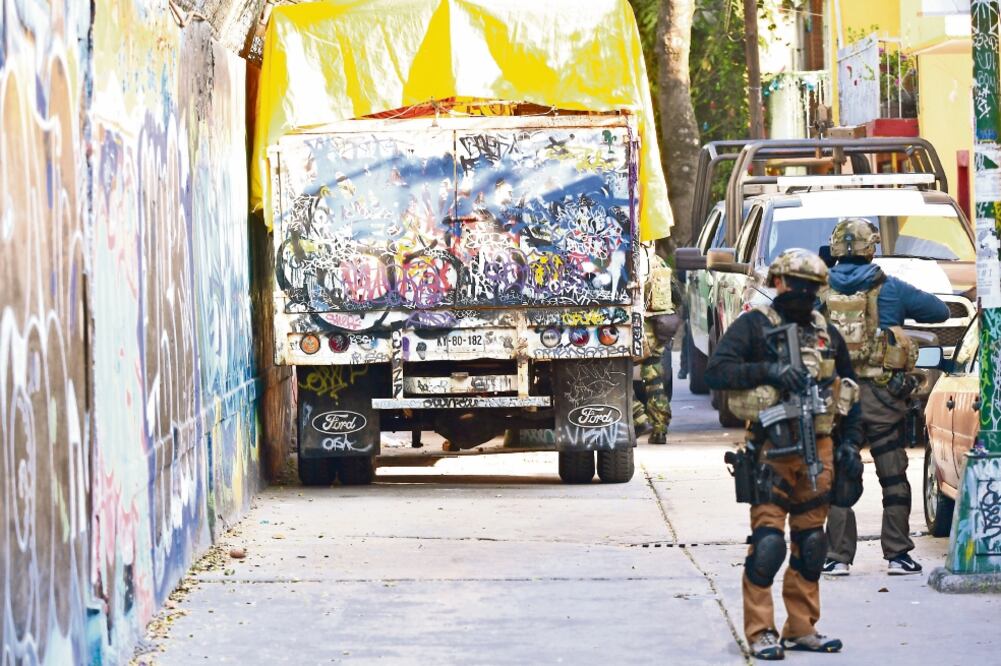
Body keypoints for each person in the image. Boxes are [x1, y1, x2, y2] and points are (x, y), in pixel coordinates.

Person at [706, 248, 864, 660]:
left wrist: (850, 445)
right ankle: (761, 632)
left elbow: (850, 389)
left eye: (811, 288)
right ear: (777, 282)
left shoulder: (827, 331)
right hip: (772, 451)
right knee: (768, 546)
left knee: (812, 545)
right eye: (796, 285)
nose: (802, 294)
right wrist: (770, 371)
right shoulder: (754, 326)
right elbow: (717, 371)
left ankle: (801, 628)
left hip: (820, 449)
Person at [821, 218, 949, 576]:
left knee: (841, 475)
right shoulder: (890, 287)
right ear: (871, 248)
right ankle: (897, 555)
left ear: (834, 248)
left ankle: (837, 558)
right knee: (893, 476)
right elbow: (939, 312)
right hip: (884, 398)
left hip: (837, 399)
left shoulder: (819, 291)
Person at [633, 244, 680, 444]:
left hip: (636, 329)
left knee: (617, 377)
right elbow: (676, 296)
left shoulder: (626, 259)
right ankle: (660, 429)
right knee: (654, 382)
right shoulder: (657, 262)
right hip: (657, 328)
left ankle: (638, 419)